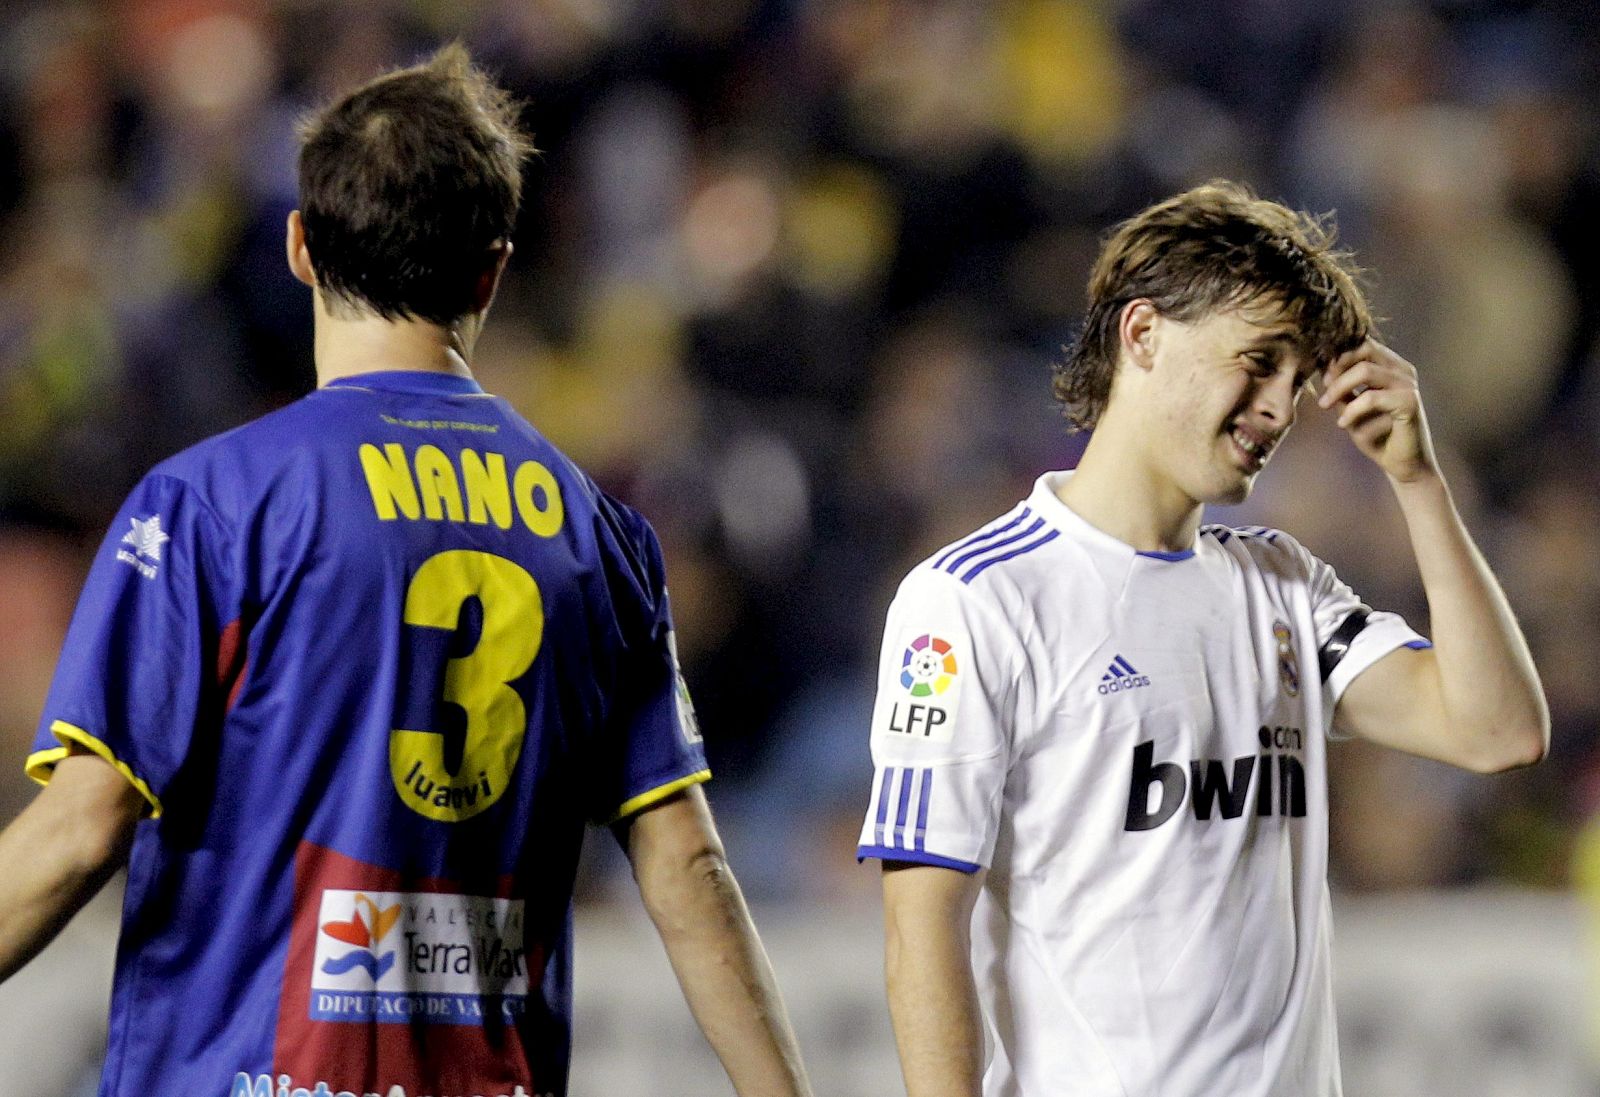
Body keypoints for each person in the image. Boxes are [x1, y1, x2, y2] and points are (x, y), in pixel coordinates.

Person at [0, 44, 813, 1097]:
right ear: (492, 267)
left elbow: (82, 823)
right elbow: (687, 864)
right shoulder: (598, 531)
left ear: (300, 247)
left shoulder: (212, 503)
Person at [857, 181, 1547, 1097]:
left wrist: (1420, 483)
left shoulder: (1284, 584)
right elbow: (922, 927)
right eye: (1258, 361)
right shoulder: (975, 600)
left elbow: (1496, 730)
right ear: (1142, 335)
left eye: (1298, 380)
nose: (1278, 407)